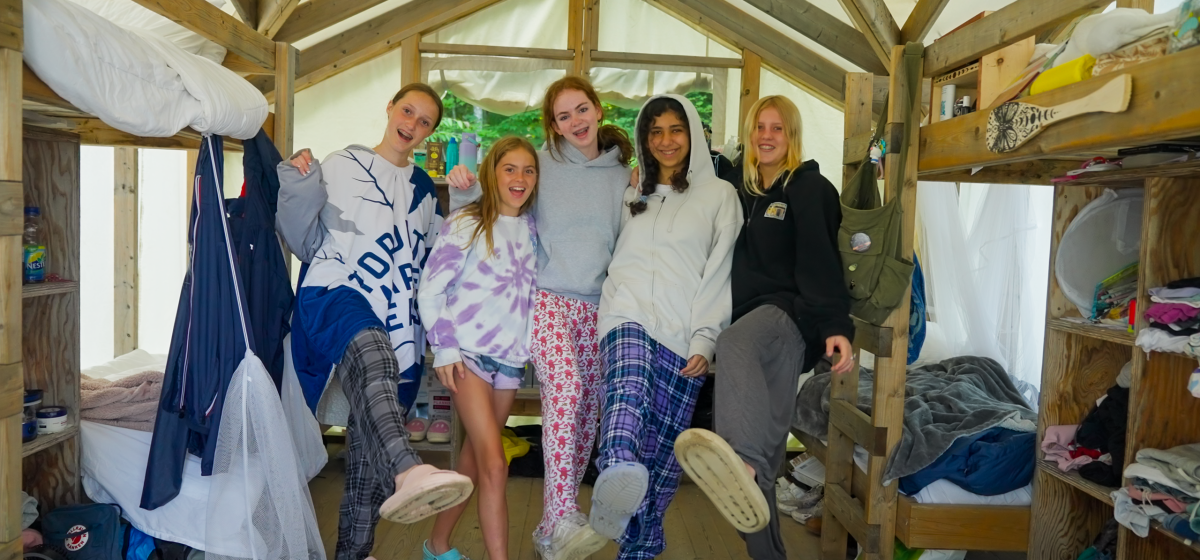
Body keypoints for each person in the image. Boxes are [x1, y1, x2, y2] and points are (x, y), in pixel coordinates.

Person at [276, 82, 474, 560]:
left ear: (431, 133)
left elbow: (440, 260)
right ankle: (409, 467)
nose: (412, 124)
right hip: (333, 289)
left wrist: (466, 202)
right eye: (407, 111)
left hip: (396, 316)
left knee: (366, 462)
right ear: (389, 108)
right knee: (371, 347)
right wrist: (299, 178)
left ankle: (356, 552)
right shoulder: (343, 163)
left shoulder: (426, 190)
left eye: (425, 121)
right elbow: (296, 230)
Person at [447, 75, 633, 560]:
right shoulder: (542, 166)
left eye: (581, 110)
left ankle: (552, 536)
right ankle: (559, 518)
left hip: (598, 307)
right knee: (566, 393)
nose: (575, 122)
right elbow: (500, 195)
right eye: (563, 115)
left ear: (598, 108)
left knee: (586, 416)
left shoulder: (623, 176)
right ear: (552, 124)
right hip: (547, 300)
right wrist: (464, 187)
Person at [674, 95, 854, 560]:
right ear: (751, 136)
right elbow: (695, 174)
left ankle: (742, 462)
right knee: (763, 475)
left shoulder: (809, 188)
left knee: (732, 345)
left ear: (791, 136)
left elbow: (821, 260)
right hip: (756, 328)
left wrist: (836, 325)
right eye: (760, 128)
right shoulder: (741, 190)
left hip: (788, 317)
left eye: (778, 128)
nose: (767, 136)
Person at [588, 94, 741, 560]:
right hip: (625, 314)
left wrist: (706, 337)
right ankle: (613, 469)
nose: (666, 141)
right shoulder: (633, 192)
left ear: (692, 133)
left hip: (681, 334)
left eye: (675, 130)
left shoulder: (720, 196)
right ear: (644, 139)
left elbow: (720, 271)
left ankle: (640, 546)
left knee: (659, 458)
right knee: (626, 392)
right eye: (655, 132)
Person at [418, 137, 541, 560]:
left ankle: (436, 546)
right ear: (492, 171)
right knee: (495, 463)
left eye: (528, 170)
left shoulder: (533, 229)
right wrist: (446, 350)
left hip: (508, 362)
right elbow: (430, 291)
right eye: (510, 168)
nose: (519, 178)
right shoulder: (467, 222)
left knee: (473, 459)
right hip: (465, 355)